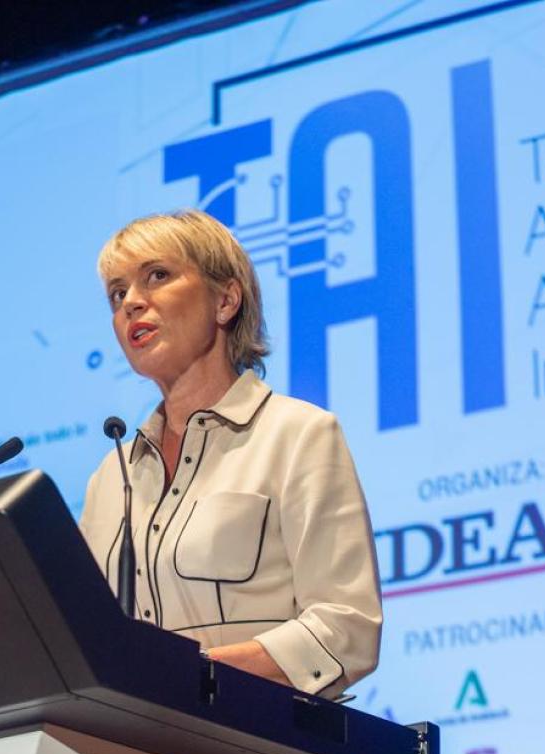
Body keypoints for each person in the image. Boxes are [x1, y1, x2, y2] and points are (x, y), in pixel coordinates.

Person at [78, 210, 381, 698]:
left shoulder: (296, 435)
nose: (131, 302)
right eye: (117, 293)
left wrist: (187, 676)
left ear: (225, 300)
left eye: (157, 275)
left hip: (253, 734)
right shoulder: (111, 478)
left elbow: (346, 630)